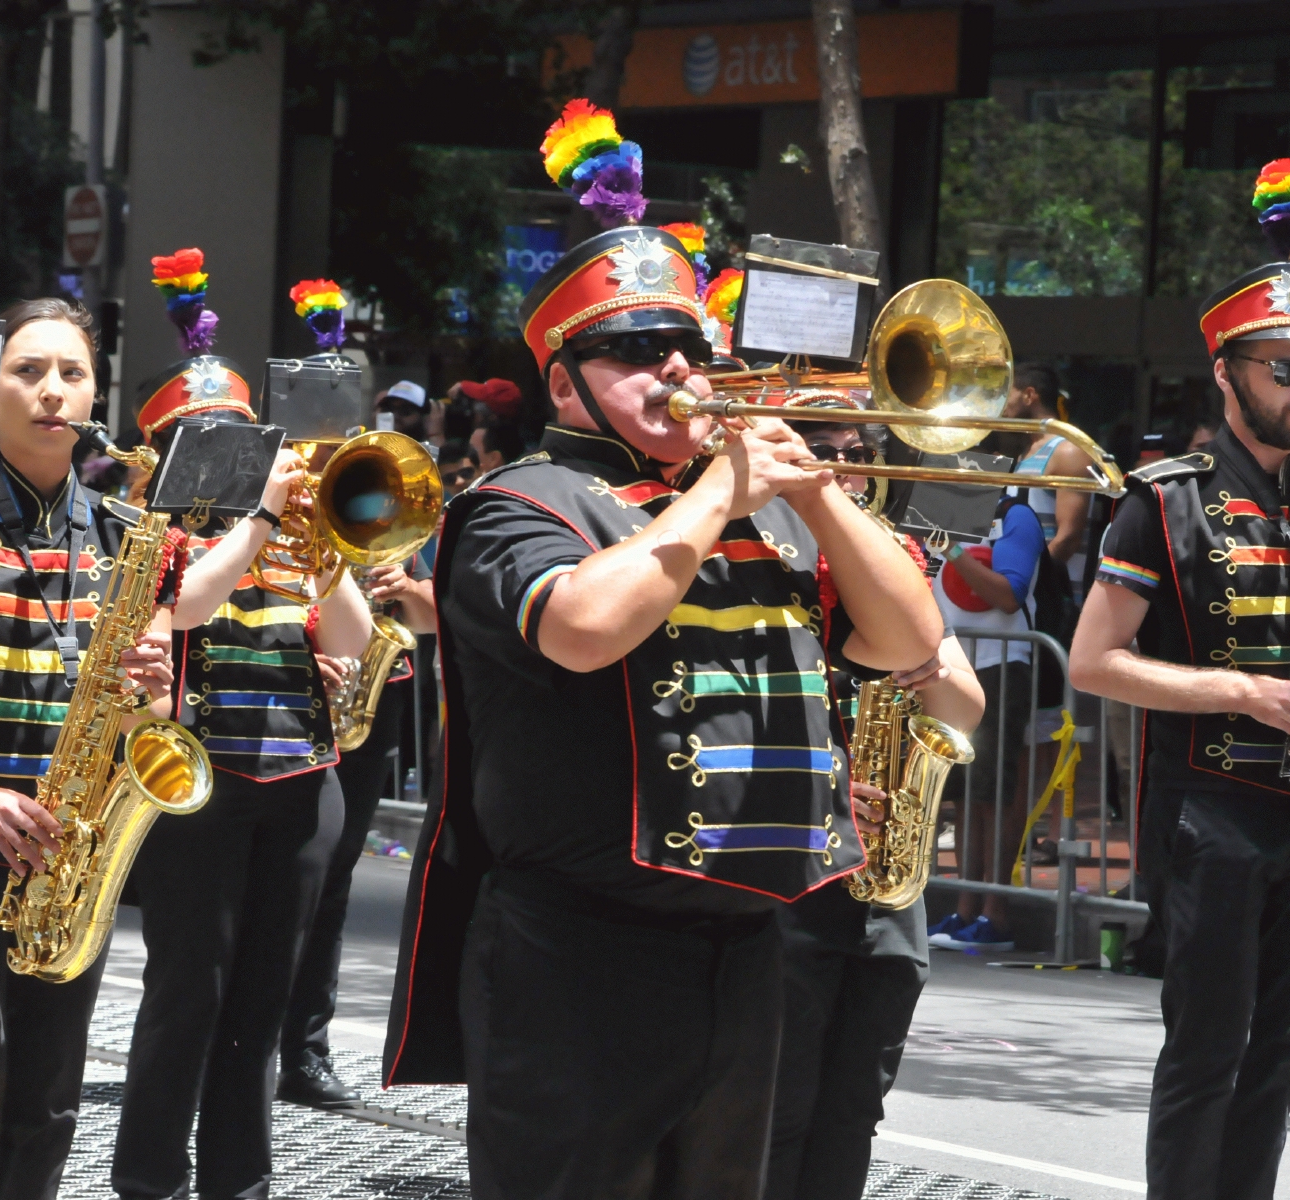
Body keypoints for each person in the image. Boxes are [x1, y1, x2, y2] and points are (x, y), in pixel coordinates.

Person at [382, 170, 942, 1200]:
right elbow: (586, 629)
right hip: (575, 960)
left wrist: (814, 496)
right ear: (564, 384)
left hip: (742, 950)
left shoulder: (759, 508)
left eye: (691, 349)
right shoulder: (517, 505)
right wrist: (725, 487)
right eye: (636, 350)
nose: (677, 370)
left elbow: (913, 636)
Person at [1067, 158, 1290, 1199]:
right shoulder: (1160, 501)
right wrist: (1240, 693)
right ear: (1225, 372)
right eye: (1280, 371)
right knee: (1206, 1054)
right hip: (1208, 808)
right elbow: (1090, 662)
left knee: (1276, 1059)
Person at [0, 296, 178, 1200]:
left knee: (50, 1102)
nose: (53, 392)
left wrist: (152, 693)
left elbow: (144, 728)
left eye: (72, 373)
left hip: (67, 857)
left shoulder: (132, 538)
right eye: (28, 371)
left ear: (97, 392)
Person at [111, 247, 373, 1200]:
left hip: (302, 787)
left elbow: (356, 634)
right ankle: (148, 1178)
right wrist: (258, 522)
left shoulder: (284, 540)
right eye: (204, 438)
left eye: (238, 435)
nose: (229, 452)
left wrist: (329, 545)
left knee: (260, 1007)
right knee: (187, 1000)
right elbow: (178, 609)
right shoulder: (154, 539)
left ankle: (239, 1182)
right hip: (199, 794)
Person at [765, 408, 985, 1200]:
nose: (844, 468)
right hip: (789, 867)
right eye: (820, 452)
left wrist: (920, 654)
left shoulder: (896, 558)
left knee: (855, 1102)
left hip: (884, 872)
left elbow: (965, 707)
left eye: (857, 453)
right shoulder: (758, 557)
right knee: (776, 1103)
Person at [276, 272, 441, 1108]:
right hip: (282, 688)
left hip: (367, 689)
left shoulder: (377, 474)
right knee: (274, 872)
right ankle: (241, 1033)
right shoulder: (277, 482)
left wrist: (391, 580)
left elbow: (407, 558)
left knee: (334, 872)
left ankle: (304, 1048)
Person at [925, 492, 1046, 953]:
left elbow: (1008, 595)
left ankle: (995, 916)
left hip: (999, 665)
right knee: (964, 797)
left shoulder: (1014, 517)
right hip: (953, 664)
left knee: (994, 794)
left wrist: (951, 551)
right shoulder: (942, 512)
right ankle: (965, 910)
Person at [1004, 363, 1094, 590]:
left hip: (1051, 599)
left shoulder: (1067, 451)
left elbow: (1068, 538)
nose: (1000, 403)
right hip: (1029, 592)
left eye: (1006, 393)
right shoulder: (1028, 450)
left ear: (1029, 395)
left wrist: (1026, 580)